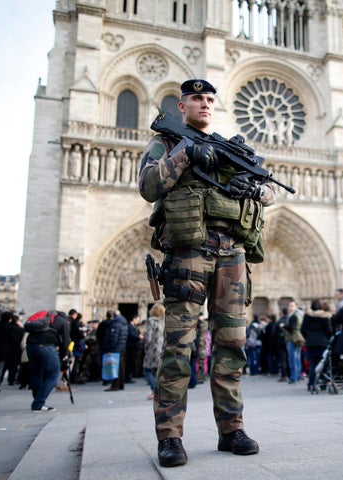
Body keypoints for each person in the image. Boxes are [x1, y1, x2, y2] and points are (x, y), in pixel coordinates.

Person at [138, 78, 277, 467]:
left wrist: (256, 191)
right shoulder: (167, 141)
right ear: (181, 106)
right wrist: (186, 154)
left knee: (232, 346)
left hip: (232, 255)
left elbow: (269, 190)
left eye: (210, 99)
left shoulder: (228, 147)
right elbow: (149, 186)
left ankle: (231, 429)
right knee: (178, 348)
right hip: (188, 254)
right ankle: (170, 437)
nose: (204, 104)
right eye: (197, 98)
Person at [25, 311, 70, 412]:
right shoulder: (63, 322)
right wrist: (64, 355)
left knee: (36, 374)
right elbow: (66, 341)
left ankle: (37, 400)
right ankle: (38, 403)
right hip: (46, 347)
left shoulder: (43, 318)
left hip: (31, 346)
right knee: (53, 375)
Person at [301, 300, 333, 393]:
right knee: (322, 363)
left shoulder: (307, 316)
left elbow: (302, 329)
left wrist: (308, 338)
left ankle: (311, 384)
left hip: (310, 342)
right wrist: (326, 338)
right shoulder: (325, 316)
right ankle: (322, 383)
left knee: (312, 364)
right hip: (322, 342)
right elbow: (329, 330)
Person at [101, 310, 128, 391]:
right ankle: (121, 384)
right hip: (122, 348)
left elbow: (113, 338)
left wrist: (110, 349)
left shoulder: (116, 324)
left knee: (114, 367)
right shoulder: (124, 323)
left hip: (116, 349)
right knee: (121, 367)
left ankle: (115, 385)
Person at [143, 303, 165, 400]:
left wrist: (146, 346)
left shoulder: (151, 321)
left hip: (153, 349)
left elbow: (148, 337)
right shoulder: (164, 321)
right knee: (158, 372)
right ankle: (158, 391)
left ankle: (155, 390)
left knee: (147, 370)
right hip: (162, 348)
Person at [284, 301, 305, 385]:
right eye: (289, 305)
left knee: (293, 359)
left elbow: (291, 328)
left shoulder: (294, 316)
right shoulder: (300, 315)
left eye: (292, 306)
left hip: (292, 338)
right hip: (298, 338)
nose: (290, 307)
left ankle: (294, 377)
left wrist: (284, 326)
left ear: (296, 307)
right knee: (297, 358)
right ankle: (298, 376)